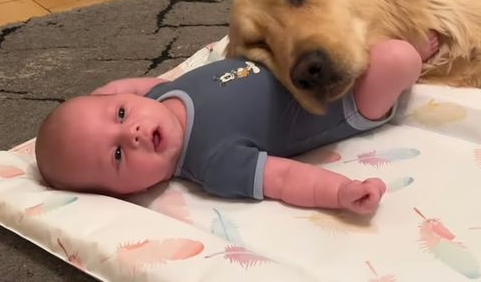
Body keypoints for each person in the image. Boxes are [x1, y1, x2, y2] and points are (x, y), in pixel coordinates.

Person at [35, 34, 439, 215]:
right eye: (118, 153)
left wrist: (112, 89)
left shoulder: (154, 98)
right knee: (396, 58)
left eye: (119, 114)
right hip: (342, 101)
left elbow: (140, 86)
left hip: (303, 62)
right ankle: (411, 61)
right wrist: (341, 192)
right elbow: (283, 179)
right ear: (131, 191)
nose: (132, 131)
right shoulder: (214, 163)